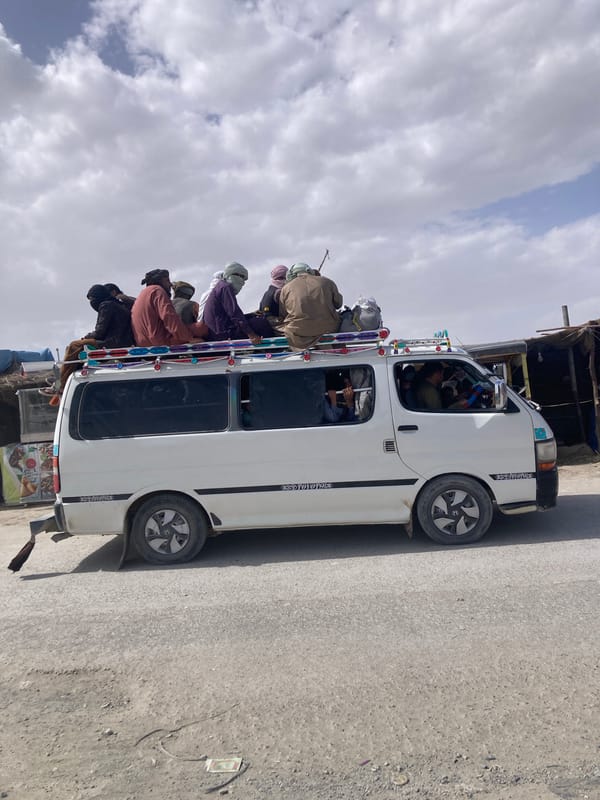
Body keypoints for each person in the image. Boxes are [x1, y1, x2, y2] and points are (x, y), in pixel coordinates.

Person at [43, 284, 134, 402]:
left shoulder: (106, 305)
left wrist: (86, 337)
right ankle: (62, 380)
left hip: (112, 343)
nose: (92, 303)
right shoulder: (118, 305)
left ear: (99, 296)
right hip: (119, 342)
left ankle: (60, 383)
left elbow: (100, 331)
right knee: (77, 349)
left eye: (92, 299)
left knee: (74, 346)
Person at [131, 269, 208, 347]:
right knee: (202, 327)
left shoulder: (143, 293)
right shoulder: (158, 291)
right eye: (167, 281)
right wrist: (189, 339)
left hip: (142, 342)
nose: (170, 284)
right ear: (160, 281)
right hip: (159, 341)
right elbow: (169, 316)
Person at [202, 262, 273, 344]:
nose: (242, 281)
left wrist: (251, 315)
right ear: (230, 274)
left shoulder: (220, 287)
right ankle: (272, 350)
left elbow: (231, 315)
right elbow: (234, 314)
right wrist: (251, 334)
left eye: (244, 279)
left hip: (219, 330)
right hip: (222, 333)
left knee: (255, 319)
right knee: (261, 322)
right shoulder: (225, 288)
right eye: (241, 277)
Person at [278, 263, 343, 350]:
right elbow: (338, 304)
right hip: (328, 328)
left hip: (298, 332)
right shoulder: (327, 282)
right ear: (309, 271)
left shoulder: (285, 288)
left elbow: (283, 313)